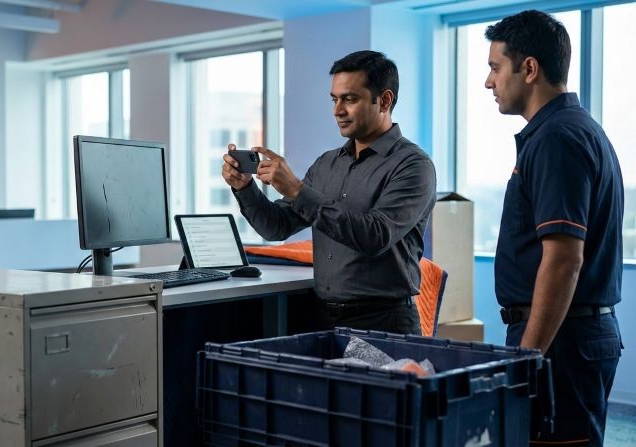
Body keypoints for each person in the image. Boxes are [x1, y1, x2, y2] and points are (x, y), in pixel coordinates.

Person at [221, 50, 436, 335]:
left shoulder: (413, 165)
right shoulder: (326, 164)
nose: (338, 111)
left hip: (383, 322)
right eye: (335, 99)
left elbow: (375, 236)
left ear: (384, 100)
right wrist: (245, 187)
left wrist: (297, 190)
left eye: (350, 99)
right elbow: (277, 227)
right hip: (322, 318)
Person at [485, 10, 623, 446]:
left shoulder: (557, 138)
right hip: (566, 338)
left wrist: (528, 357)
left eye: (494, 67)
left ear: (529, 69)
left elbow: (563, 258)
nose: (488, 82)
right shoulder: (569, 130)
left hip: (561, 344)